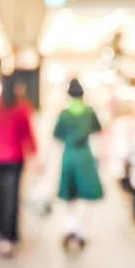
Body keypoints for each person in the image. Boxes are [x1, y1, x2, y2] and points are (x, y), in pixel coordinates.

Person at [0, 75, 37, 257]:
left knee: (1, 195)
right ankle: (9, 236)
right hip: (15, 158)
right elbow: (28, 133)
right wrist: (35, 154)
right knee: (12, 197)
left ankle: (2, 232)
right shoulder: (21, 109)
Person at [54, 78, 103, 250]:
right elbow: (98, 132)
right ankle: (82, 229)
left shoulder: (64, 114)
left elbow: (57, 136)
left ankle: (70, 226)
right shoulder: (89, 112)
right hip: (85, 156)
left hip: (69, 156)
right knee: (86, 195)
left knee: (70, 194)